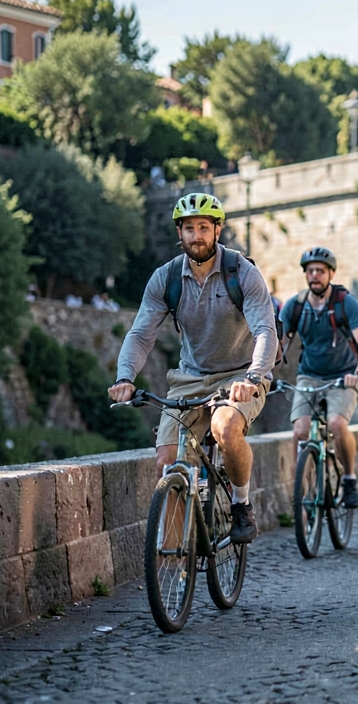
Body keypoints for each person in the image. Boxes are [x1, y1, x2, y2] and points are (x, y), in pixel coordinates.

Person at [110, 192, 279, 545]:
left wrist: (253, 377)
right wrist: (125, 377)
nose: (196, 235)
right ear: (180, 233)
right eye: (189, 228)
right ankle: (171, 559)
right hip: (189, 377)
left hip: (240, 375)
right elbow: (141, 334)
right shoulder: (166, 278)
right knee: (167, 462)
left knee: (226, 425)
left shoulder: (241, 272)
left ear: (217, 231)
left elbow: (265, 330)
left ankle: (240, 505)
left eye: (204, 227)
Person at [278, 247, 358, 508]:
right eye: (310, 271)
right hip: (309, 375)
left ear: (330, 273)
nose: (315, 275)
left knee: (336, 424)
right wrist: (264, 371)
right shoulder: (295, 306)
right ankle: (304, 493)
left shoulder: (345, 303)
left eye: (320, 270)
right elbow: (280, 342)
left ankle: (349, 478)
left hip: (342, 377)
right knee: (300, 431)